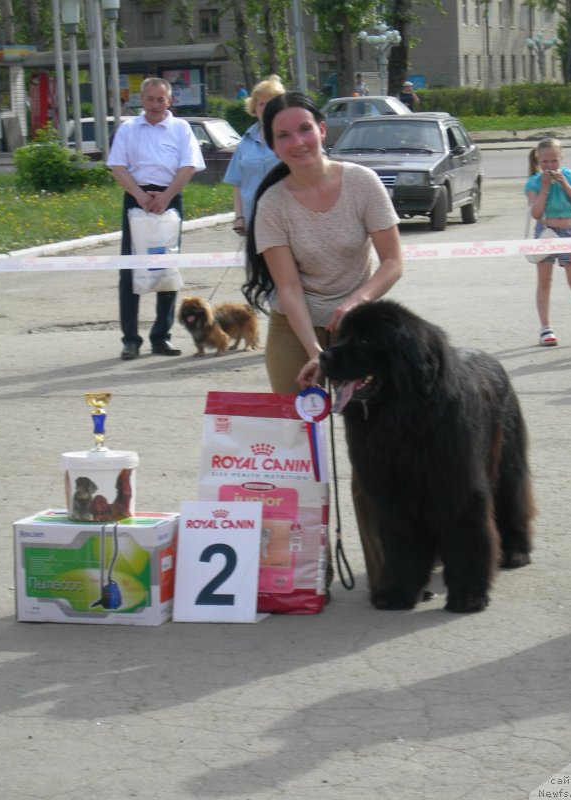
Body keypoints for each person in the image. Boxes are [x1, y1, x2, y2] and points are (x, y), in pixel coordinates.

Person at [242, 92, 403, 594]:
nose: (297, 142)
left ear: (322, 130)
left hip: (359, 327)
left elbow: (394, 261)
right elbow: (287, 289)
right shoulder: (271, 204)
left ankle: (392, 573)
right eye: (283, 136)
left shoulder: (362, 182)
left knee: (375, 455)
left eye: (304, 130)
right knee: (297, 456)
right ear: (271, 145)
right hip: (296, 329)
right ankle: (300, 575)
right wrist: (316, 354)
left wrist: (357, 302)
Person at [107, 77, 205, 360]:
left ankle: (161, 337)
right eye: (150, 99)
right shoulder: (128, 129)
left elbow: (188, 166)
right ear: (142, 99)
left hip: (169, 199)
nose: (155, 105)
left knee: (166, 270)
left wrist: (164, 197)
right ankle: (130, 339)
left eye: (160, 100)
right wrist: (140, 196)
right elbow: (117, 166)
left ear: (170, 101)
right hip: (136, 200)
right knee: (130, 271)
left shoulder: (181, 128)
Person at [524, 137, 571, 349]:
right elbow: (536, 213)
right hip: (546, 233)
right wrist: (545, 187)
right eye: (545, 162)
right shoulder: (534, 182)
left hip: (568, 232)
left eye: (554, 161)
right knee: (544, 281)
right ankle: (545, 328)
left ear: (561, 159)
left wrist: (564, 183)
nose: (549, 166)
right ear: (539, 162)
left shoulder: (570, 176)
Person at [223, 75, 286, 236]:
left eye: (271, 103)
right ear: (254, 107)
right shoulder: (246, 141)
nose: (265, 108)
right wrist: (239, 217)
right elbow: (237, 183)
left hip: (287, 219)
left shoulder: (291, 136)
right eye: (261, 104)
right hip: (253, 221)